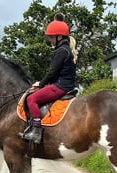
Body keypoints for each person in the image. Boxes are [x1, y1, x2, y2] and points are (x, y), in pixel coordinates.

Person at [22, 14, 78, 144]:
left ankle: (36, 131)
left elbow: (52, 73)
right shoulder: (65, 49)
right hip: (64, 85)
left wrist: (40, 84)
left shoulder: (61, 51)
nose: (50, 40)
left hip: (60, 86)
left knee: (31, 99)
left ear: (59, 37)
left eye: (52, 37)